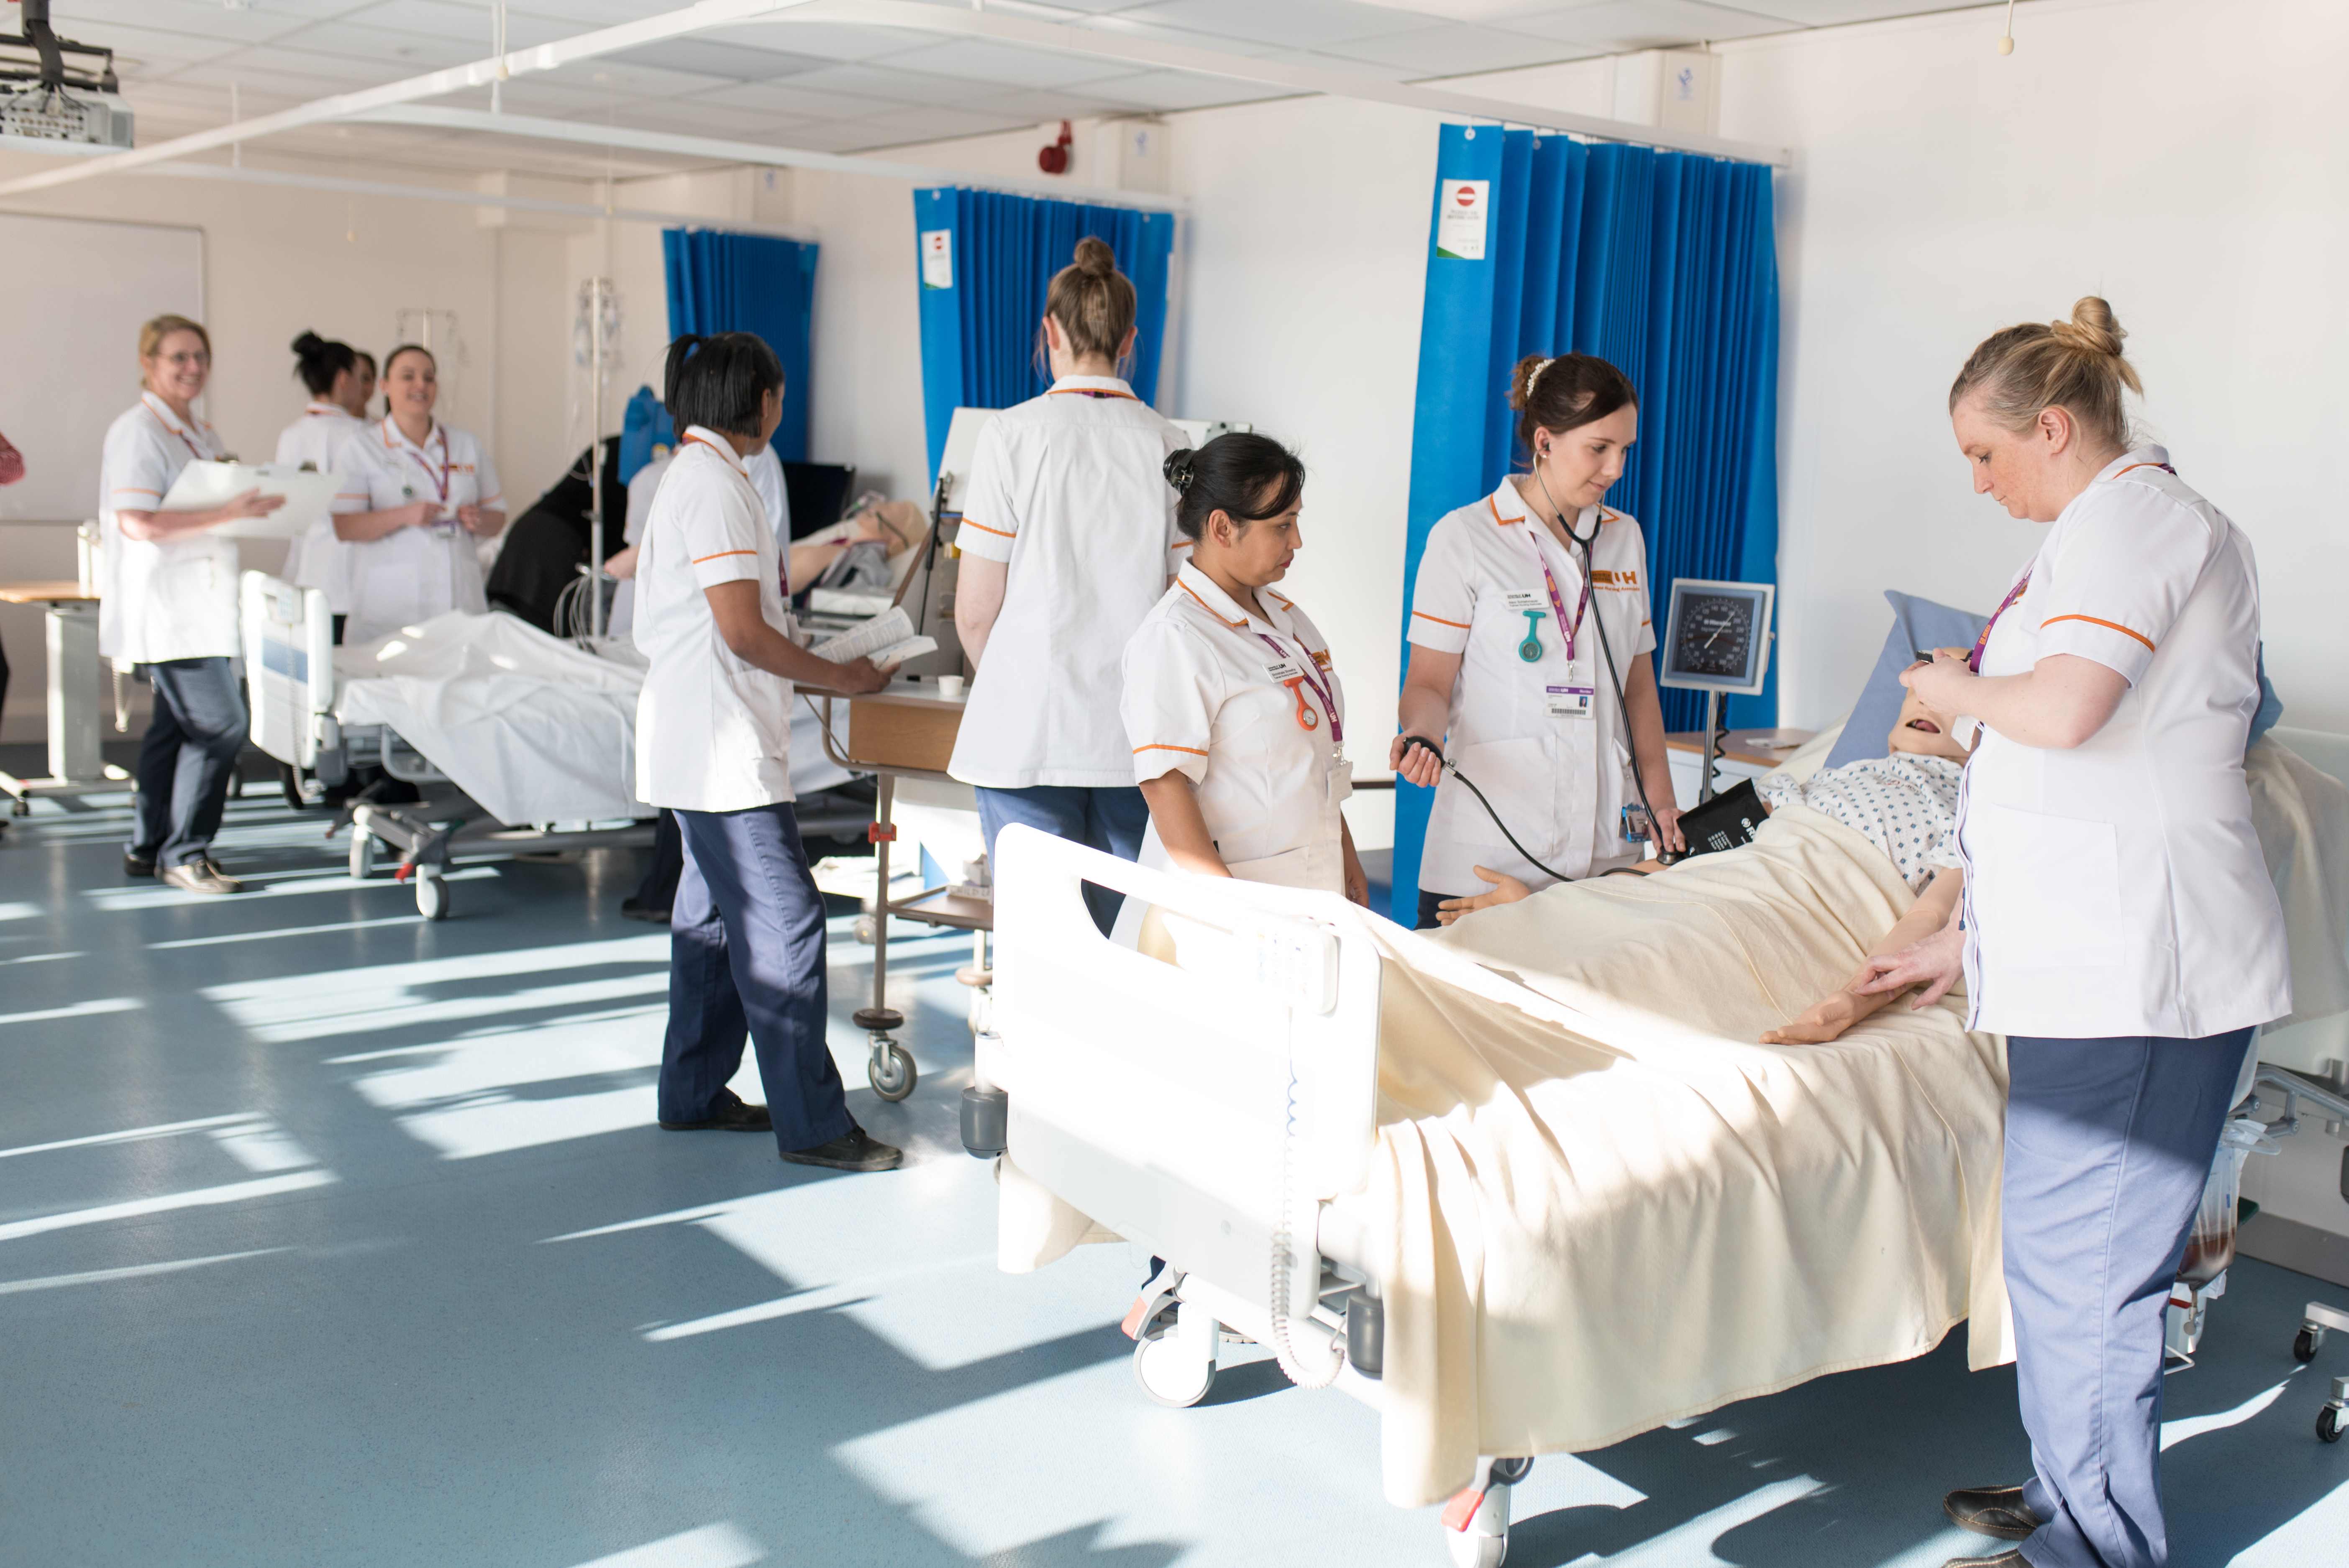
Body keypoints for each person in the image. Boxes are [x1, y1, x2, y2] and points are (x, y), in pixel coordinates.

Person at [1857, 299, 2289, 1568]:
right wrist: (1961, 941)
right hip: (2082, 963)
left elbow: (2058, 712)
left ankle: (2090, 1551)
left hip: (2134, 975)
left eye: (1982, 457)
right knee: (2062, 1270)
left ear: (2049, 428)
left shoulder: (2139, 522)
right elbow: (2054, 782)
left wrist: (1946, 690)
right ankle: (2068, 1497)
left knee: (2085, 1279)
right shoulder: (2098, 537)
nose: (1978, 485)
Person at [632, 332, 901, 1173]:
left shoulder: (711, 477)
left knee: (709, 921)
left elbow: (750, 599)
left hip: (702, 736)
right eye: (778, 395)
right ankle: (813, 1122)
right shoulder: (712, 484)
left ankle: (692, 1091)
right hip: (718, 749)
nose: (781, 409)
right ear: (758, 399)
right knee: (786, 922)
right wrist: (840, 677)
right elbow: (743, 632)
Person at [1393, 353, 1685, 930]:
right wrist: (1421, 735)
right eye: (1599, 448)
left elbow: (1638, 690)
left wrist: (1661, 802)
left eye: (1625, 449)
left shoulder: (1623, 538)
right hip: (1489, 855)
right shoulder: (1466, 538)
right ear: (1545, 441)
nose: (1616, 468)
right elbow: (1428, 682)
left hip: (1605, 856)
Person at [949, 236, 1188, 932]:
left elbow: (974, 613)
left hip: (1027, 737)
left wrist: (1017, 694)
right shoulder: (1171, 444)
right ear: (1131, 340)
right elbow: (1181, 609)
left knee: (1040, 948)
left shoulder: (1009, 436)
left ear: (1049, 332)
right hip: (1131, 741)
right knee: (1119, 943)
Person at [1120, 435, 1367, 902]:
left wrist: (1345, 852)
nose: (1297, 541)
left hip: (1314, 885)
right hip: (1235, 904)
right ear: (1221, 528)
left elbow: (1311, 761)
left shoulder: (1290, 621)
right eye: (1282, 524)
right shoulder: (1175, 637)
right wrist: (1232, 914)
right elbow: (1165, 785)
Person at [100, 315, 287, 893]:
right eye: (178, 358)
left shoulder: (197, 433)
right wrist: (229, 513)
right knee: (220, 724)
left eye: (199, 357)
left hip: (200, 605)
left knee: (173, 729)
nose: (192, 368)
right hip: (168, 609)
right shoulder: (139, 431)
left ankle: (147, 846)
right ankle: (186, 851)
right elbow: (137, 522)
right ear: (148, 364)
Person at [332, 344, 506, 646]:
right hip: (391, 610)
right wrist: (403, 515)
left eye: (428, 378)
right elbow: (345, 527)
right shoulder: (361, 449)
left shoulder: (466, 445)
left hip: (458, 601)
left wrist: (478, 520)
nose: (420, 386)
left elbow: (498, 518)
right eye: (408, 376)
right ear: (384, 386)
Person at [274, 331, 374, 642]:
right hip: (356, 581)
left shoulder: (290, 436)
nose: (363, 388)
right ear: (344, 380)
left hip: (307, 576)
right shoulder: (365, 435)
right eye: (361, 378)